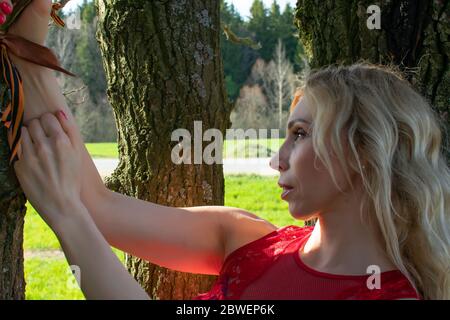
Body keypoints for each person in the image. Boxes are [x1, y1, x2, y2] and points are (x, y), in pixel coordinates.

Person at [5, 1, 449, 300]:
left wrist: (65, 216)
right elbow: (97, 206)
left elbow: (80, 210)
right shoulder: (249, 241)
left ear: (362, 154)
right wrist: (31, 25)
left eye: (299, 134)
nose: (277, 158)